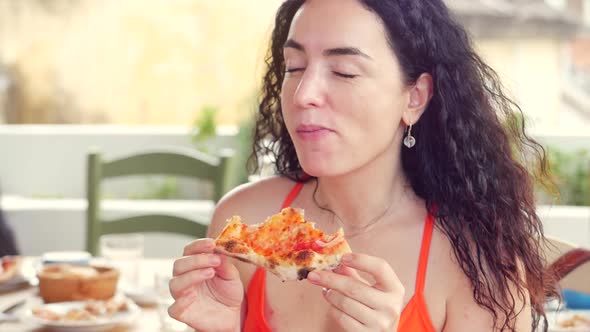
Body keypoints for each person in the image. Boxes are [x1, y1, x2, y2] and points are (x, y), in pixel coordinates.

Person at [168, 0, 557, 331]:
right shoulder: (244, 219)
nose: (304, 95)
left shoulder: (480, 264)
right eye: (294, 67)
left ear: (415, 98)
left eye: (343, 72)